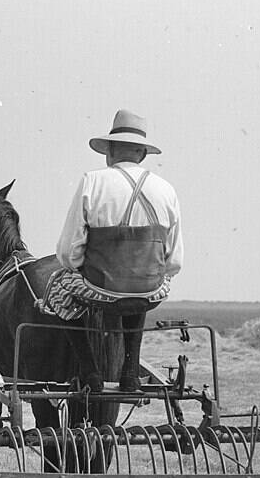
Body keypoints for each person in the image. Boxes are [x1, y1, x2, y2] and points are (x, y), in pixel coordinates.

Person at [52, 109, 183, 392]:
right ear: (144, 154)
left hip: (102, 288)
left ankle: (91, 373)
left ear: (108, 150)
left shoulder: (92, 181)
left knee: (58, 288)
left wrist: (80, 267)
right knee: (140, 291)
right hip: (151, 290)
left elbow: (68, 251)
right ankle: (130, 372)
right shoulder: (166, 189)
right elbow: (174, 262)